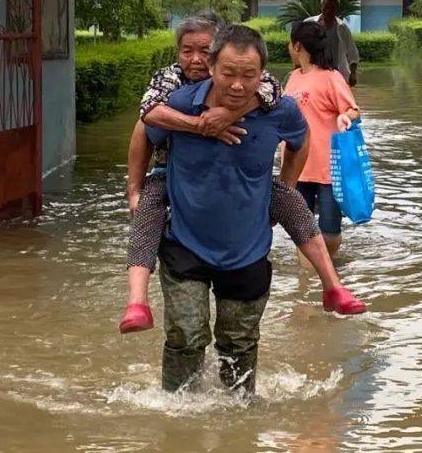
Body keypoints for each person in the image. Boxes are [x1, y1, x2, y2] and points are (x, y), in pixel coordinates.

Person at [119, 16, 365, 335]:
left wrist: (230, 114)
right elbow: (146, 118)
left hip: (244, 207)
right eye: (186, 51)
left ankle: (333, 286)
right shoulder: (170, 83)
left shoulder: (260, 86)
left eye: (204, 50)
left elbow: (273, 99)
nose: (195, 59)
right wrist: (199, 127)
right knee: (146, 215)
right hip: (169, 169)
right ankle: (137, 301)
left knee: (293, 206)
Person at [144, 25, 323, 393]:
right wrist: (135, 189)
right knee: (186, 336)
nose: (238, 85)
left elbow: (299, 142)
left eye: (248, 75)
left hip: (247, 246)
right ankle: (177, 416)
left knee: (239, 344)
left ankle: (239, 414)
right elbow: (143, 132)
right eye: (228, 73)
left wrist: (284, 191)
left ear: (262, 75)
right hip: (184, 241)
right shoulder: (178, 102)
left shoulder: (278, 108)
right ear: (212, 67)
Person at [285, 21, 361, 258]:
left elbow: (353, 110)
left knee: (329, 230)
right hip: (298, 165)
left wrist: (345, 118)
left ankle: (326, 269)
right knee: (301, 230)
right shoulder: (293, 77)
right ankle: (307, 278)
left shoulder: (331, 77)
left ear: (297, 46)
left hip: (328, 168)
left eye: (290, 43)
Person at [306, 0, 360, 87]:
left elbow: (353, 54)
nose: (328, 11)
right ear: (321, 7)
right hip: (314, 75)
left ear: (336, 10)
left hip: (337, 76)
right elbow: (298, 47)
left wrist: (353, 74)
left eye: (332, 8)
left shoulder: (342, 28)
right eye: (326, 7)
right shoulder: (308, 24)